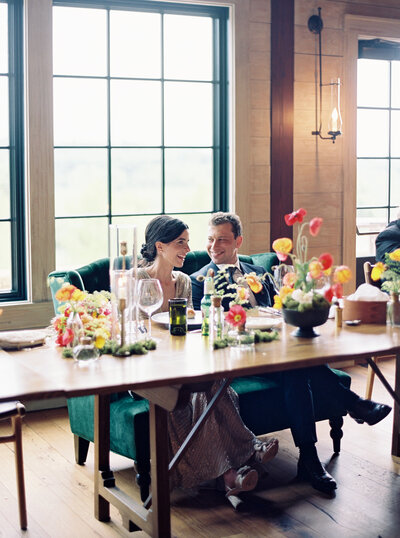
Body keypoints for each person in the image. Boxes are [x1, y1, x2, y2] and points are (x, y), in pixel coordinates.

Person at [191, 212, 392, 494]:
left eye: (222, 239)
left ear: (238, 241)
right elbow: (206, 326)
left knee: (296, 369)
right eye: (210, 240)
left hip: (275, 349)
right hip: (238, 355)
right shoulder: (199, 280)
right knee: (296, 366)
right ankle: (353, 405)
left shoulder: (258, 271)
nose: (214, 246)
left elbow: (279, 309)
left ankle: (310, 458)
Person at [137, 215, 279, 501]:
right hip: (145, 368)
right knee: (184, 399)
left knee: (212, 387)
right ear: (160, 246)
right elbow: (133, 330)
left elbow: (190, 327)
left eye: (188, 242)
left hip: (181, 362)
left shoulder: (183, 281)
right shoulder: (136, 279)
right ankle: (249, 448)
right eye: (181, 243)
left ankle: (230, 479)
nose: (188, 249)